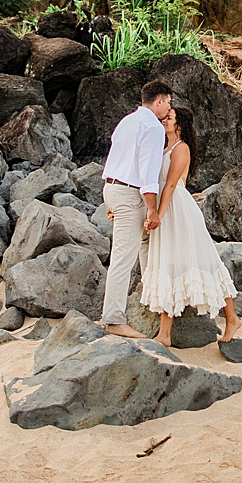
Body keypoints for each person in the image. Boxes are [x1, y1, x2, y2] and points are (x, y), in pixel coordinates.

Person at [140, 106, 240, 345]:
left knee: (206, 261)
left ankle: (232, 318)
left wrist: (158, 215)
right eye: (164, 117)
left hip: (178, 209)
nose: (164, 120)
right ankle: (164, 334)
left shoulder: (181, 148)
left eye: (169, 118)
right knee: (168, 263)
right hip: (166, 209)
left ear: (180, 124)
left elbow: (172, 185)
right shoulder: (164, 148)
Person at [100, 79, 173, 338]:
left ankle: (150, 297)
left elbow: (114, 158)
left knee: (145, 245)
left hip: (113, 188)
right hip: (130, 194)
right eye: (168, 103)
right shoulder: (153, 127)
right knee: (123, 257)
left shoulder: (127, 121)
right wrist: (152, 209)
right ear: (159, 101)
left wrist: (110, 201)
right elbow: (148, 173)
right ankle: (113, 318)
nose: (169, 109)